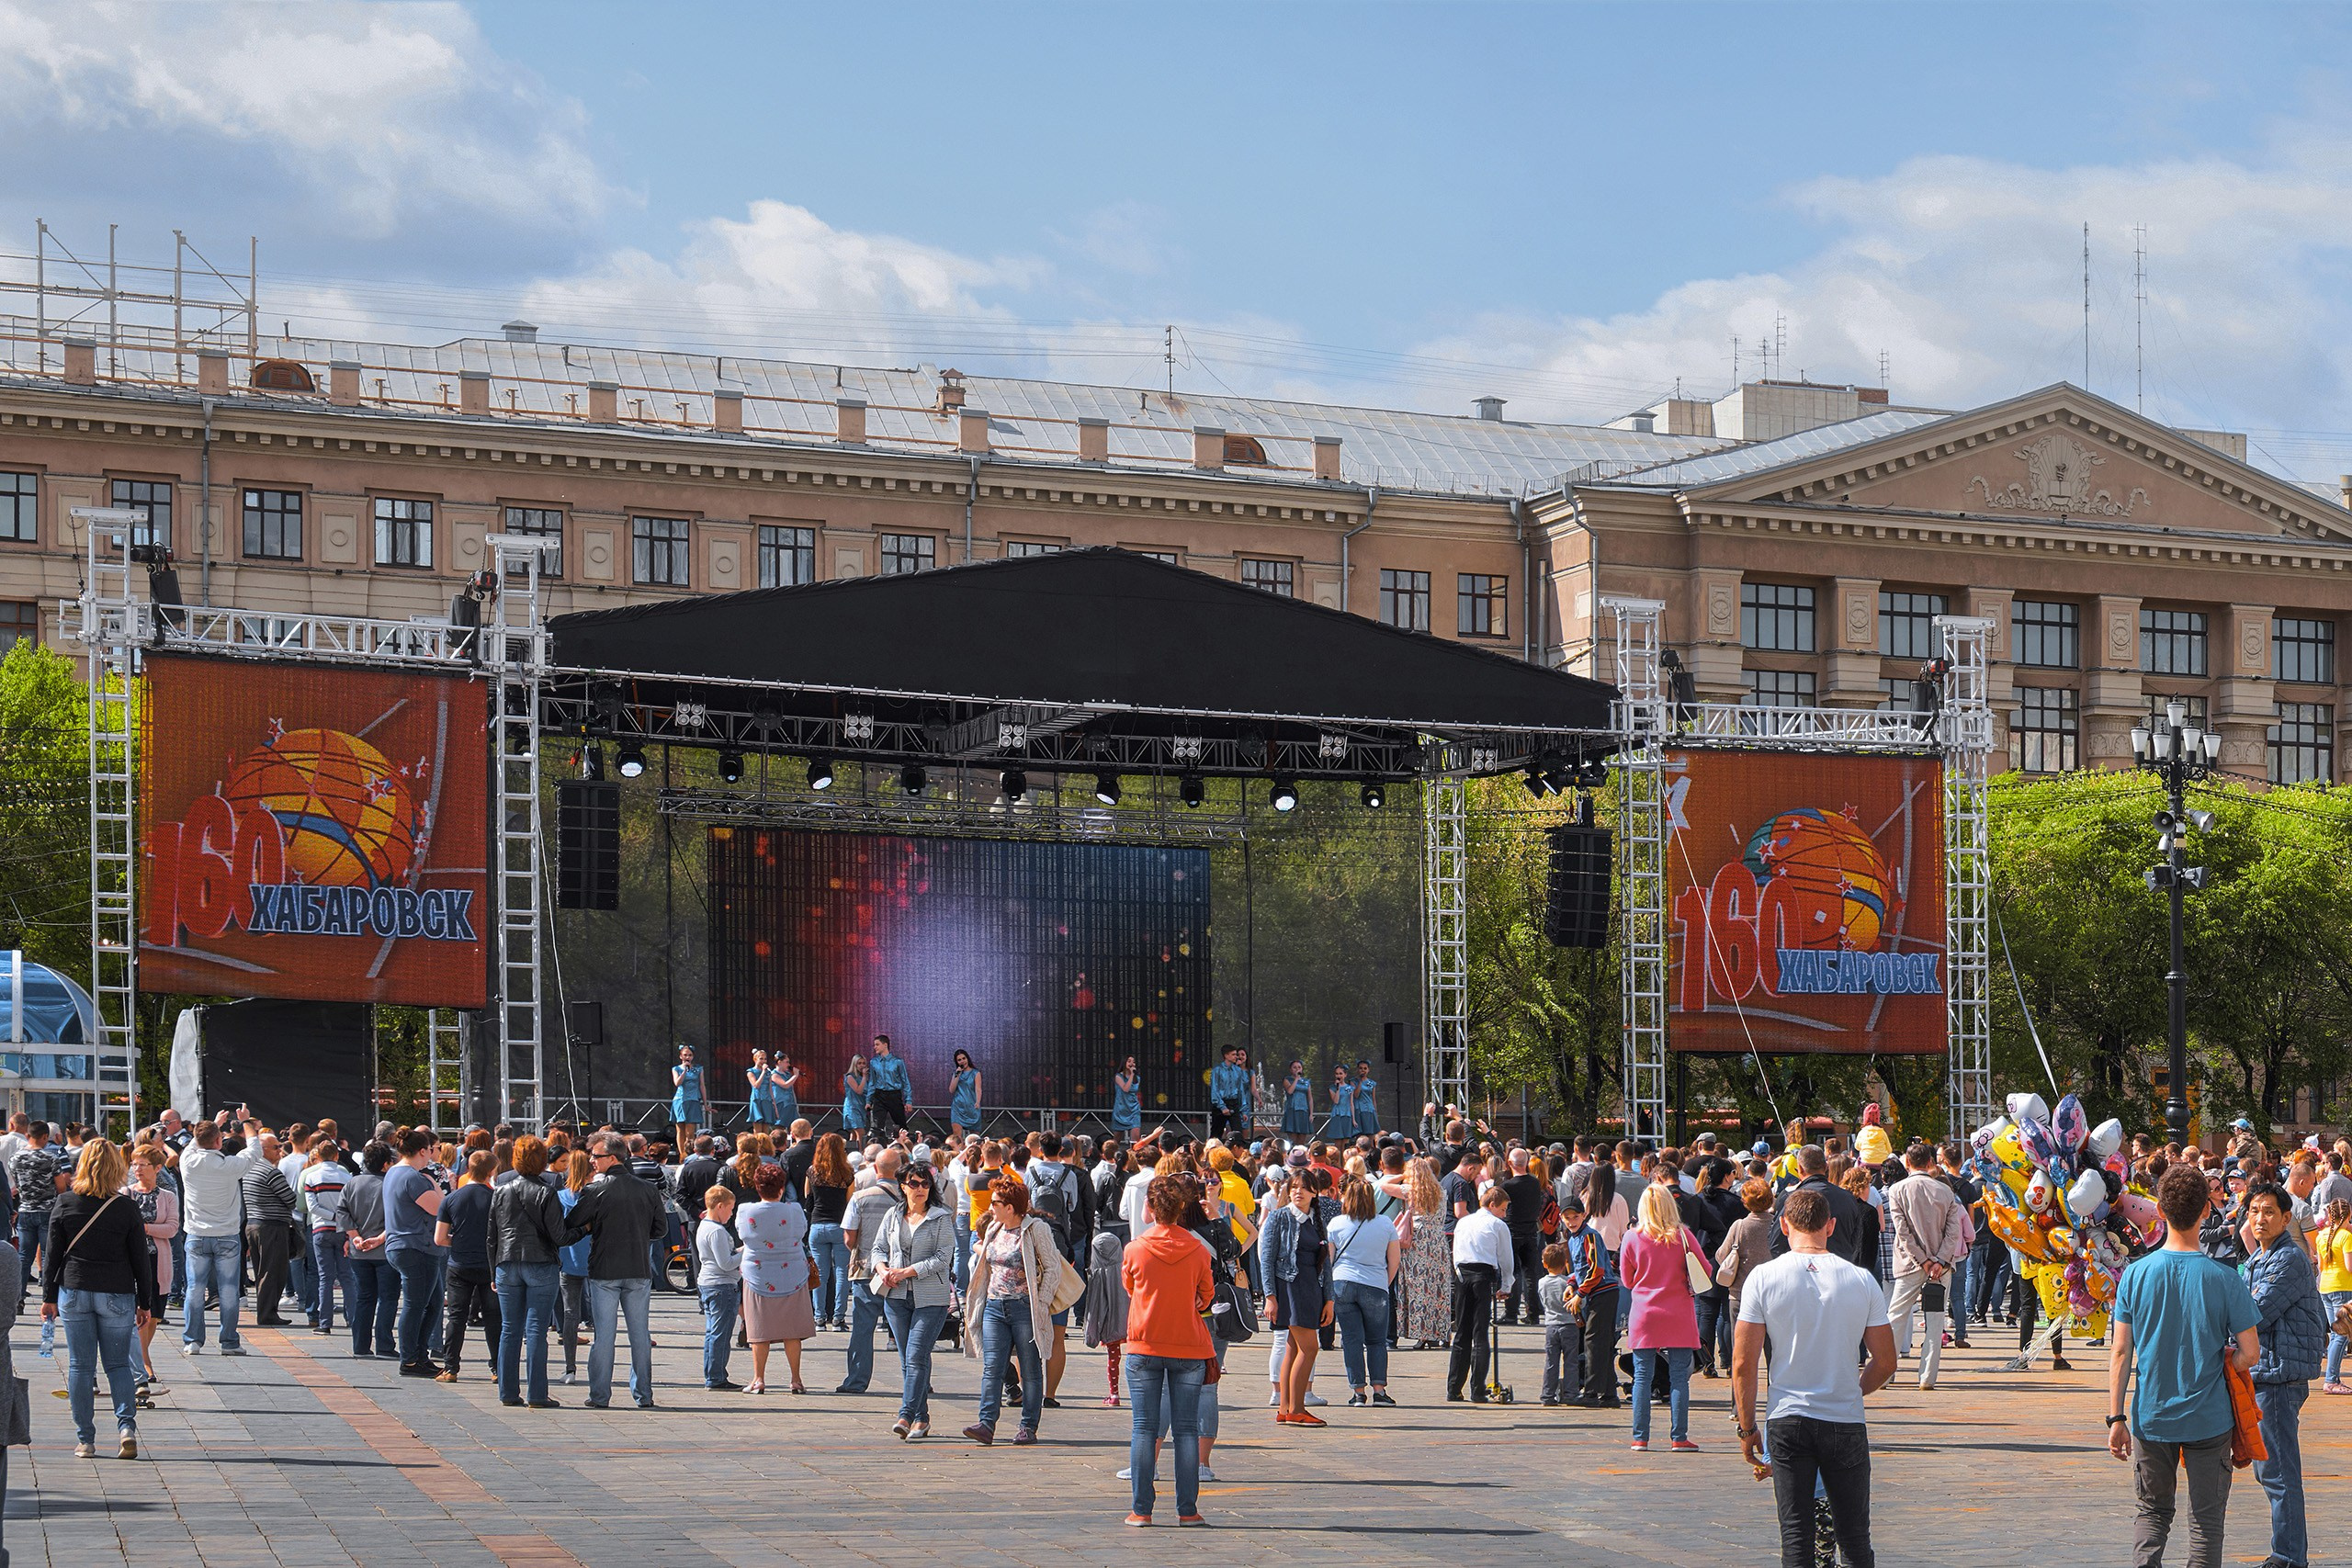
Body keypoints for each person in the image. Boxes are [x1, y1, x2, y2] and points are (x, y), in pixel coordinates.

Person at [2107, 1164, 2262, 1568]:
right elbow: (2251, 1352)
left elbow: (2121, 1352)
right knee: (2206, 1525)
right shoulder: (2225, 1278)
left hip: (2151, 1414)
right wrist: (2225, 1359)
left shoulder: (2135, 1275)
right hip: (2208, 1417)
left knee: (2152, 1515)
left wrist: (2116, 1417)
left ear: (2159, 1211)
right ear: (2205, 1213)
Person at [1735, 1186, 1898, 1568]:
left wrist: (1747, 1428)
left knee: (1796, 1537)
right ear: (1831, 1226)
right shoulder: (1860, 1279)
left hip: (1788, 1417)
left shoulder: (1764, 1277)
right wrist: (1853, 1389)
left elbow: (1744, 1361)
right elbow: (1886, 1361)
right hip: (1843, 1417)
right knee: (1855, 1538)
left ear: (1786, 1225)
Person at [42, 1139, 157, 1461]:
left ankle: (86, 1440)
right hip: (117, 1293)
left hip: (75, 1290)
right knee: (118, 1365)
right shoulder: (125, 1206)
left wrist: (49, 1298)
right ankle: (125, 1429)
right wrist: (145, 1302)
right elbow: (140, 1259)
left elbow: (52, 1257)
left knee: (80, 1366)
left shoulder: (66, 1202)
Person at [1119, 1174, 1216, 1528]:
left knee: (1144, 1428)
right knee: (1187, 1429)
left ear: (1149, 1208)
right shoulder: (1197, 1249)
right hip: (1189, 1345)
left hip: (1144, 1342)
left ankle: (1141, 1509)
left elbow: (1130, 1287)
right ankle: (1187, 1510)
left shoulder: (1135, 1249)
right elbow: (1207, 1296)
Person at [2241, 1180, 2326, 1568]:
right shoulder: (2259, 1257)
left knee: (2278, 1472)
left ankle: (2289, 1556)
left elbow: (2254, 1312)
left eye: (2270, 1212)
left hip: (2278, 1377)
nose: (2261, 1218)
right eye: (2255, 1211)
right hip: (2264, 1374)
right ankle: (2287, 1551)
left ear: (2287, 1218)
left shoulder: (2288, 1258)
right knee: (2268, 1470)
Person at [562, 1133, 669, 1410]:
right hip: (638, 1268)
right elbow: (660, 1230)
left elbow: (573, 1221)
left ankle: (599, 1395)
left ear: (612, 1157)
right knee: (640, 1336)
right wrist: (638, 1234)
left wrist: (592, 1227)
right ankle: (644, 1395)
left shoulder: (595, 1189)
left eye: (595, 1156)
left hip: (605, 1269)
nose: (591, 1161)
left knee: (604, 1337)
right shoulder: (647, 1189)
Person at [965, 1176, 1065, 1446]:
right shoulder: (995, 1228)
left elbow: (1053, 1267)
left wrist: (1042, 1302)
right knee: (992, 1367)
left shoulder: (1036, 1230)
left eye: (996, 1202)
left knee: (1031, 1369)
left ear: (1010, 1207)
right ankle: (986, 1424)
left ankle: (1028, 1426)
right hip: (995, 1307)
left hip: (1025, 1308)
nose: (991, 1207)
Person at [1622, 1182, 1710, 1450]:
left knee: (1642, 1375)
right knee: (1679, 1377)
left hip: (1645, 1312)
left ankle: (1640, 1437)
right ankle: (1679, 1437)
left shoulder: (1632, 1237)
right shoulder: (1683, 1235)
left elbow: (1626, 1280)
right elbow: (1704, 1268)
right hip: (1678, 1312)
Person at [871, 1163, 954, 1437]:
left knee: (917, 1354)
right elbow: (878, 1248)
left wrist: (910, 1271)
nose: (920, 1189)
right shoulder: (893, 1215)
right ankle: (922, 1417)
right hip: (895, 1296)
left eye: (925, 1184)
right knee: (909, 1359)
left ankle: (906, 1415)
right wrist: (883, 1269)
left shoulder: (941, 1217)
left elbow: (943, 1258)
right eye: (914, 1183)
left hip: (931, 1297)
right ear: (903, 1186)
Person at [488, 1134, 565, 1409]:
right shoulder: (547, 1192)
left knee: (509, 1329)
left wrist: (493, 1270)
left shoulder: (500, 1190)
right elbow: (559, 1235)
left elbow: (492, 1236)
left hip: (507, 1263)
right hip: (540, 1263)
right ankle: (537, 1393)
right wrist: (583, 1229)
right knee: (535, 1331)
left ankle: (508, 1392)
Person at [1884, 1143, 1970, 1391]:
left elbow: (1901, 1231)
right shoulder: (1945, 1191)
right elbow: (1954, 1231)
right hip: (1940, 1267)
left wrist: (1922, 1259)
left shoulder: (1897, 1190)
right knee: (1935, 1320)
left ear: (1907, 1164)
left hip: (1910, 1264)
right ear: (1931, 1163)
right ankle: (1927, 1378)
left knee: (1896, 1317)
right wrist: (1940, 1260)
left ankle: (1886, 1372)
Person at [175, 1116, 260, 1357]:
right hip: (226, 1235)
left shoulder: (188, 1161)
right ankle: (229, 1342)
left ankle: (193, 1340)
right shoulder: (230, 1165)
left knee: (194, 1288)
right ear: (219, 1141)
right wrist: (246, 1123)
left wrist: (213, 1124)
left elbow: (194, 1144)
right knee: (229, 1290)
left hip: (196, 1234)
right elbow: (254, 1150)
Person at [1261, 1162, 1332, 1423]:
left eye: (1304, 1188)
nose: (1298, 1192)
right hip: (1290, 1287)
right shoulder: (1280, 1216)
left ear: (1315, 1192)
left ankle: (1286, 1409)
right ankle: (1297, 1409)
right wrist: (1270, 1296)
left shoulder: (1317, 1219)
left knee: (1293, 1347)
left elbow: (1326, 1263)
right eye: (1294, 1187)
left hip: (1311, 1287)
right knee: (1309, 1348)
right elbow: (1266, 1259)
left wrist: (1330, 1299)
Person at [735, 1161, 815, 1394]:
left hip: (758, 1273)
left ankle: (758, 1379)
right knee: (792, 1330)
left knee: (759, 1330)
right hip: (792, 1272)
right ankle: (796, 1379)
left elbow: (742, 1234)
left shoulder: (745, 1210)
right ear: (781, 1187)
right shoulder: (794, 1210)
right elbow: (802, 1233)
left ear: (757, 1187)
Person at [836, 1147, 904, 1394]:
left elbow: (849, 1239)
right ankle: (918, 1381)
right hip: (900, 1273)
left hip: (866, 1270)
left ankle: (856, 1381)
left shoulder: (860, 1197)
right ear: (900, 1169)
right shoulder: (912, 1198)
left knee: (863, 1329)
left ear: (875, 1168)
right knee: (905, 1331)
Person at [380, 1129, 448, 1378]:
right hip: (415, 1247)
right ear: (423, 1151)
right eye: (431, 1150)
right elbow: (441, 1209)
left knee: (430, 1303)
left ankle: (418, 1356)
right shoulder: (415, 1178)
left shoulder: (395, 1173)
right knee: (416, 1304)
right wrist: (434, 1184)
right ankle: (410, 1359)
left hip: (409, 1246)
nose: (432, 1155)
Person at [1328, 1177, 1399, 1407]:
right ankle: (1379, 1391)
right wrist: (1384, 1283)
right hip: (1375, 1284)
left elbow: (1328, 1260)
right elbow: (1394, 1260)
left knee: (1351, 1340)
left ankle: (1358, 1392)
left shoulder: (1336, 1224)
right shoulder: (1386, 1224)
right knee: (1377, 1340)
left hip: (1343, 1282)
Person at [433, 1149, 502, 1382]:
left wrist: (459, 1240)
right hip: (489, 1265)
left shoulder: (451, 1198)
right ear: (492, 1171)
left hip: (459, 1263)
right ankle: (497, 1369)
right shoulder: (497, 1197)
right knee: (494, 1317)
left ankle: (451, 1368)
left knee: (456, 1317)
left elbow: (440, 1239)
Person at [1447, 1184, 1514, 1404]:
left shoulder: (1464, 1222)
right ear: (1492, 1205)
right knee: (1480, 1333)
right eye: (1503, 1209)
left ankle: (1454, 1388)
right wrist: (1506, 1285)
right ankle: (1477, 1389)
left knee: (1461, 1333)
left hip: (1462, 1276)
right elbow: (1506, 1259)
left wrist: (1459, 1274)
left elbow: (1456, 1252)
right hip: (1483, 1276)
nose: (1504, 1214)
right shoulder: (1497, 1225)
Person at [122, 1144, 178, 1399]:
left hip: (158, 1260)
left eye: (142, 1164)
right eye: (134, 1164)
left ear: (157, 1168)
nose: (137, 1169)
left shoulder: (167, 1196)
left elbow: (172, 1229)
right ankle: (144, 1364)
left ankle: (140, 1357)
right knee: (138, 1313)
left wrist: (144, 1229)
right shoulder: (126, 1194)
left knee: (154, 1314)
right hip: (132, 1263)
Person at [338, 1141, 398, 1359]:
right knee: (388, 1298)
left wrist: (354, 1236)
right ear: (385, 1164)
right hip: (385, 1249)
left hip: (359, 1251)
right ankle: (384, 1344)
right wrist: (380, 1239)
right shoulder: (391, 1184)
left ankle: (360, 1345)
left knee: (365, 1298)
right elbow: (397, 1216)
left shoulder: (352, 1183)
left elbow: (342, 1211)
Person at [297, 1140, 349, 1339]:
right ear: (337, 1156)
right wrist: (341, 1219)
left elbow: (312, 1207)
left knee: (324, 1277)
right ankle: (352, 1319)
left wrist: (331, 1216)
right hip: (343, 1231)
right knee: (346, 1277)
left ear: (318, 1156)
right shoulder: (347, 1177)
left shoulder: (311, 1177)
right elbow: (350, 1207)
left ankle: (325, 1322)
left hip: (320, 1229)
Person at [1398, 1156, 1451, 1348]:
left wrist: (1402, 1174)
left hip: (1419, 1241)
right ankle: (1442, 1333)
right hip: (1438, 1240)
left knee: (1420, 1289)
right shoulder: (1441, 1191)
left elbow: (1384, 1184)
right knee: (1439, 1289)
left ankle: (1422, 1333)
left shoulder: (1410, 1191)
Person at [695, 1184, 742, 1392]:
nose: (732, 1213)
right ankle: (716, 1377)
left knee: (713, 1332)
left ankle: (713, 1374)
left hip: (710, 1283)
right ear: (720, 1206)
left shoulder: (705, 1226)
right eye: (730, 1208)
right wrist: (747, 1251)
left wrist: (738, 1250)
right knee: (720, 1334)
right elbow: (726, 1263)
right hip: (721, 1285)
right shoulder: (716, 1231)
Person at [804, 1133, 854, 1330]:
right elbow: (850, 1201)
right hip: (840, 1225)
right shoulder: (847, 1173)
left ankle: (819, 1317)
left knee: (820, 1273)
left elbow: (807, 1197)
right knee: (842, 1272)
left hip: (817, 1224)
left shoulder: (812, 1171)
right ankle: (839, 1318)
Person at [554, 1148, 593, 1384]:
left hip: (567, 1261)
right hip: (596, 1261)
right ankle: (600, 1369)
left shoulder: (559, 1197)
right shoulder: (597, 1196)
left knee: (570, 1316)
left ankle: (570, 1368)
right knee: (602, 1317)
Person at [9, 1121, 62, 1292]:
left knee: (24, 1257)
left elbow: (17, 1184)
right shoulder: (51, 1158)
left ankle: (19, 1297)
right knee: (48, 1256)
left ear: (28, 1135)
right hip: (48, 1211)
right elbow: (61, 1187)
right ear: (45, 1137)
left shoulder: (15, 1158)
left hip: (25, 1211)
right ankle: (49, 1297)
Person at [1538, 1241, 1583, 1405]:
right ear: (1565, 1263)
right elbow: (1580, 1304)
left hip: (1551, 1325)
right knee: (1571, 1361)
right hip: (1569, 1325)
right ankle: (1571, 1393)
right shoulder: (1567, 1283)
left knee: (1551, 1361)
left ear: (1544, 1263)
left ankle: (1547, 1394)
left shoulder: (1541, 1283)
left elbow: (1543, 1301)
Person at [2316, 1196, 2352, 1394]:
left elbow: (2321, 1265)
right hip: (2343, 1287)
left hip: (2326, 1287)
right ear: (2348, 1215)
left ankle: (2332, 1378)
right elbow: (2349, 1266)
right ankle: (2331, 1379)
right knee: (2342, 1335)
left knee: (2336, 1333)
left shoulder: (2321, 1236)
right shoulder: (2346, 1237)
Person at [867, 1034, 911, 1136]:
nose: (875, 1047)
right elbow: (872, 1083)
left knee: (900, 1125)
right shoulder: (873, 1062)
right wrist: (868, 1100)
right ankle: (878, 1147)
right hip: (879, 1095)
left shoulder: (897, 1062)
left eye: (877, 1044)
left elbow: (905, 1081)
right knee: (876, 1127)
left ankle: (902, 1148)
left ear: (885, 1045)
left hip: (894, 1095)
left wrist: (908, 1100)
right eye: (874, 1045)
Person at [1208, 1047, 1252, 1143]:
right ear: (1226, 1056)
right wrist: (1222, 1106)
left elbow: (1241, 1091)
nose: (1236, 1057)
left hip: (1234, 1102)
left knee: (1238, 1133)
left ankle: (1238, 1153)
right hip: (1221, 1103)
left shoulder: (1238, 1070)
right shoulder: (1217, 1070)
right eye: (1233, 1054)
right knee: (1216, 1134)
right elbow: (1214, 1090)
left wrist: (1244, 1110)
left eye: (1236, 1054)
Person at [670, 1045, 705, 1148]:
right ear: (681, 1056)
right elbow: (677, 1083)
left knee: (690, 1131)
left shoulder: (698, 1069)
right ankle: (682, 1155)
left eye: (690, 1055)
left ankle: (690, 1153)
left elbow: (702, 1086)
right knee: (680, 1130)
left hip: (693, 1100)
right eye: (685, 1055)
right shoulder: (676, 1069)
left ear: (693, 1057)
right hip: (680, 1100)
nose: (687, 1057)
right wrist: (684, 1071)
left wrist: (705, 1103)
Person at [947, 1050, 982, 1139]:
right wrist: (957, 1075)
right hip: (958, 1107)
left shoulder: (976, 1073)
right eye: (959, 1060)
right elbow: (951, 1090)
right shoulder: (956, 1073)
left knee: (974, 1137)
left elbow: (978, 1089)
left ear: (967, 1059)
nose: (962, 1061)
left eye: (964, 1058)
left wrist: (978, 1102)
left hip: (972, 1107)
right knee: (957, 1136)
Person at [746, 1050, 781, 1132]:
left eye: (765, 1059)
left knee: (766, 1129)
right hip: (757, 1099)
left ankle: (766, 1144)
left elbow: (770, 1090)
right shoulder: (750, 1072)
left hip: (767, 1100)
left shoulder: (768, 1073)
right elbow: (756, 1085)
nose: (763, 1061)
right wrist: (763, 1072)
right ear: (755, 1059)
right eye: (761, 1059)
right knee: (758, 1128)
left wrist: (775, 1106)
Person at [1111, 1056, 1142, 1138]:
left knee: (1135, 1140)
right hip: (1121, 1110)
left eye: (1133, 1062)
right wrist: (1131, 1075)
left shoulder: (1137, 1078)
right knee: (1117, 1139)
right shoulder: (1118, 1077)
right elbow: (1126, 1089)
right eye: (1129, 1061)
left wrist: (1133, 1075)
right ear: (1124, 1063)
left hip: (1134, 1109)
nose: (1132, 1064)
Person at [1281, 1062, 1312, 1138]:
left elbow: (1310, 1098)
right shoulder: (1287, 1080)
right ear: (1291, 1070)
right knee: (1293, 1137)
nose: (1297, 1069)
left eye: (1299, 1067)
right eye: (1294, 1067)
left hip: (1304, 1110)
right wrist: (1296, 1079)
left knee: (1302, 1137)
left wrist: (1311, 1113)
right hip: (1292, 1110)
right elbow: (1290, 1091)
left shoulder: (1306, 1082)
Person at [1352, 1060, 1380, 1140]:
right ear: (1357, 1069)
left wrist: (1375, 1112)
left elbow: (1373, 1099)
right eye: (1361, 1068)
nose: (1363, 1070)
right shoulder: (1353, 1081)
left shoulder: (1372, 1083)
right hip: (1359, 1109)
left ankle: (1371, 1151)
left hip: (1369, 1109)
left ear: (1368, 1070)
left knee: (1370, 1134)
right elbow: (1356, 1095)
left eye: (1365, 1068)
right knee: (1360, 1136)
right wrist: (1360, 1082)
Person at [1324, 1066, 1354, 1141]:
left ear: (1345, 1075)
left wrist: (1354, 1119)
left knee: (1345, 1140)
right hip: (1337, 1115)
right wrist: (1338, 1088)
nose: (1338, 1076)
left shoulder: (1350, 1088)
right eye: (1337, 1074)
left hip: (1347, 1114)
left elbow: (1351, 1104)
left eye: (1341, 1073)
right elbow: (1336, 1101)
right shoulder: (1332, 1088)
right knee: (1338, 1140)